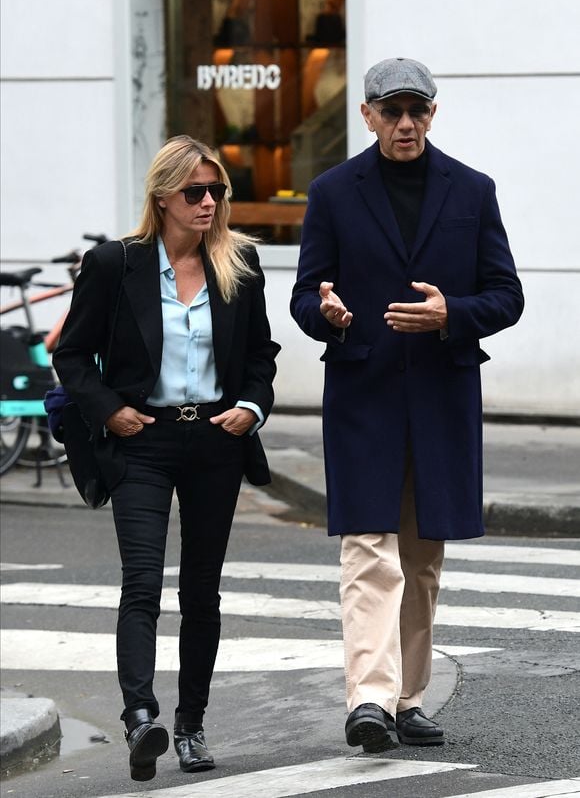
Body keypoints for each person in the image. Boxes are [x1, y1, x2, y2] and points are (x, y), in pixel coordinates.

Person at [290, 58, 524, 753]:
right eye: (391, 111)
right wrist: (326, 312)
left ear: (433, 112)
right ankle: (368, 699)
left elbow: (506, 295)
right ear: (366, 115)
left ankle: (408, 698)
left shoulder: (472, 191)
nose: (404, 123)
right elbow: (305, 295)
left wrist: (452, 312)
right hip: (364, 394)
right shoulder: (332, 193)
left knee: (422, 556)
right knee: (369, 547)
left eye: (416, 110)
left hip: (442, 396)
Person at [53, 135, 280, 781]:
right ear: (163, 198)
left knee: (201, 590)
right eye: (195, 192)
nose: (209, 202)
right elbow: (72, 354)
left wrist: (251, 406)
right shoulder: (113, 264)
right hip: (142, 440)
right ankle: (141, 717)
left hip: (216, 439)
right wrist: (108, 410)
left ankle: (192, 724)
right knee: (143, 582)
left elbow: (262, 355)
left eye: (217, 191)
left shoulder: (240, 263)